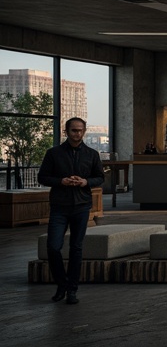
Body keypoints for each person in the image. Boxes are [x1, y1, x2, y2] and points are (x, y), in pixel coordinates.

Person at [37, 117, 104, 305]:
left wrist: (85, 182)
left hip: (82, 206)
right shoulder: (53, 153)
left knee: (76, 248)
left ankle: (72, 290)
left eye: (81, 130)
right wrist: (61, 181)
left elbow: (99, 177)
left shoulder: (92, 154)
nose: (77, 134)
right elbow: (42, 177)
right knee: (53, 247)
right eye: (74, 131)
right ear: (66, 132)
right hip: (59, 206)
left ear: (85, 131)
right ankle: (62, 284)